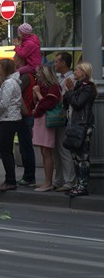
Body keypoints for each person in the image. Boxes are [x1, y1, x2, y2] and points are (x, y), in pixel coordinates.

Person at [62, 62, 97, 197]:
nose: (74, 72)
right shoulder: (77, 87)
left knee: (82, 157)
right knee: (75, 157)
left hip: (83, 125)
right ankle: (78, 183)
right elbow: (67, 104)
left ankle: (83, 185)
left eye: (76, 70)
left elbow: (77, 104)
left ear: (84, 72)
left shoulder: (88, 88)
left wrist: (70, 91)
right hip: (74, 124)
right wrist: (68, 92)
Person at [0, 59, 23, 191]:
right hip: (10, 118)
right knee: (6, 150)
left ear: (4, 69)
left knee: (4, 150)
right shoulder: (10, 82)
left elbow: (4, 103)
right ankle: (9, 179)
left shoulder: (9, 83)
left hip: (8, 119)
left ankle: (10, 180)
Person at [31, 65, 62, 192]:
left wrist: (37, 93)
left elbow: (47, 104)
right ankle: (47, 181)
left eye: (39, 74)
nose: (37, 76)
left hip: (46, 121)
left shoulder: (53, 88)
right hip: (41, 120)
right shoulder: (45, 87)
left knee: (46, 152)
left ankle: (48, 182)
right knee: (44, 152)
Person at [52, 52, 76, 192]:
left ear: (63, 63)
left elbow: (64, 98)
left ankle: (69, 181)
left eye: (57, 61)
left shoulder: (71, 78)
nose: (55, 64)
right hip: (57, 117)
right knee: (56, 150)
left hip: (65, 117)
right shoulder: (58, 78)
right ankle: (59, 179)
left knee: (64, 149)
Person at [15, 53, 37, 186]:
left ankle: (29, 176)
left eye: (15, 58)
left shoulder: (25, 77)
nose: (14, 60)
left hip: (25, 114)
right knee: (24, 146)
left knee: (26, 146)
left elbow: (16, 91)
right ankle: (28, 176)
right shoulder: (26, 76)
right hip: (25, 114)